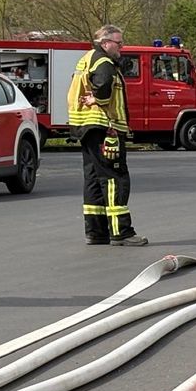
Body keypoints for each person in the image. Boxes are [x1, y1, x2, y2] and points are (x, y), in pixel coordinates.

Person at [67, 24, 147, 247]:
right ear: (105, 43)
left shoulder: (87, 58)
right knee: (115, 177)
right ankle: (122, 232)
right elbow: (102, 87)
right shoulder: (103, 62)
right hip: (105, 128)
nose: (122, 47)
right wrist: (99, 100)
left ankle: (96, 232)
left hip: (87, 127)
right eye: (118, 43)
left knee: (93, 178)